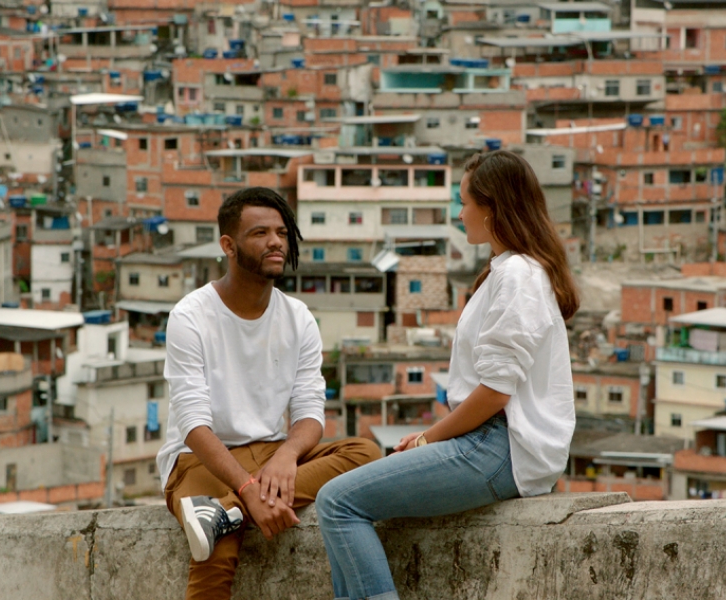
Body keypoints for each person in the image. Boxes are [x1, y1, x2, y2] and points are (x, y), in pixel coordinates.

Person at [316, 149, 580, 600]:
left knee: (337, 501)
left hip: (500, 446)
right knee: (342, 500)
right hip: (490, 443)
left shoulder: (518, 274)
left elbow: (497, 393)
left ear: (492, 207)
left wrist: (426, 440)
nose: (460, 215)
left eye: (465, 203)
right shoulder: (508, 271)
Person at [158, 187, 381, 600]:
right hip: (200, 459)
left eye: (281, 232)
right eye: (260, 233)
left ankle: (222, 514)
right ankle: (226, 512)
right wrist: (245, 489)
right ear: (228, 245)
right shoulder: (191, 316)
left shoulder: (297, 317)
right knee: (215, 551)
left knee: (365, 454)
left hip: (272, 449)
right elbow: (192, 423)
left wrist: (286, 455)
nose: (276, 241)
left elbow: (311, 412)